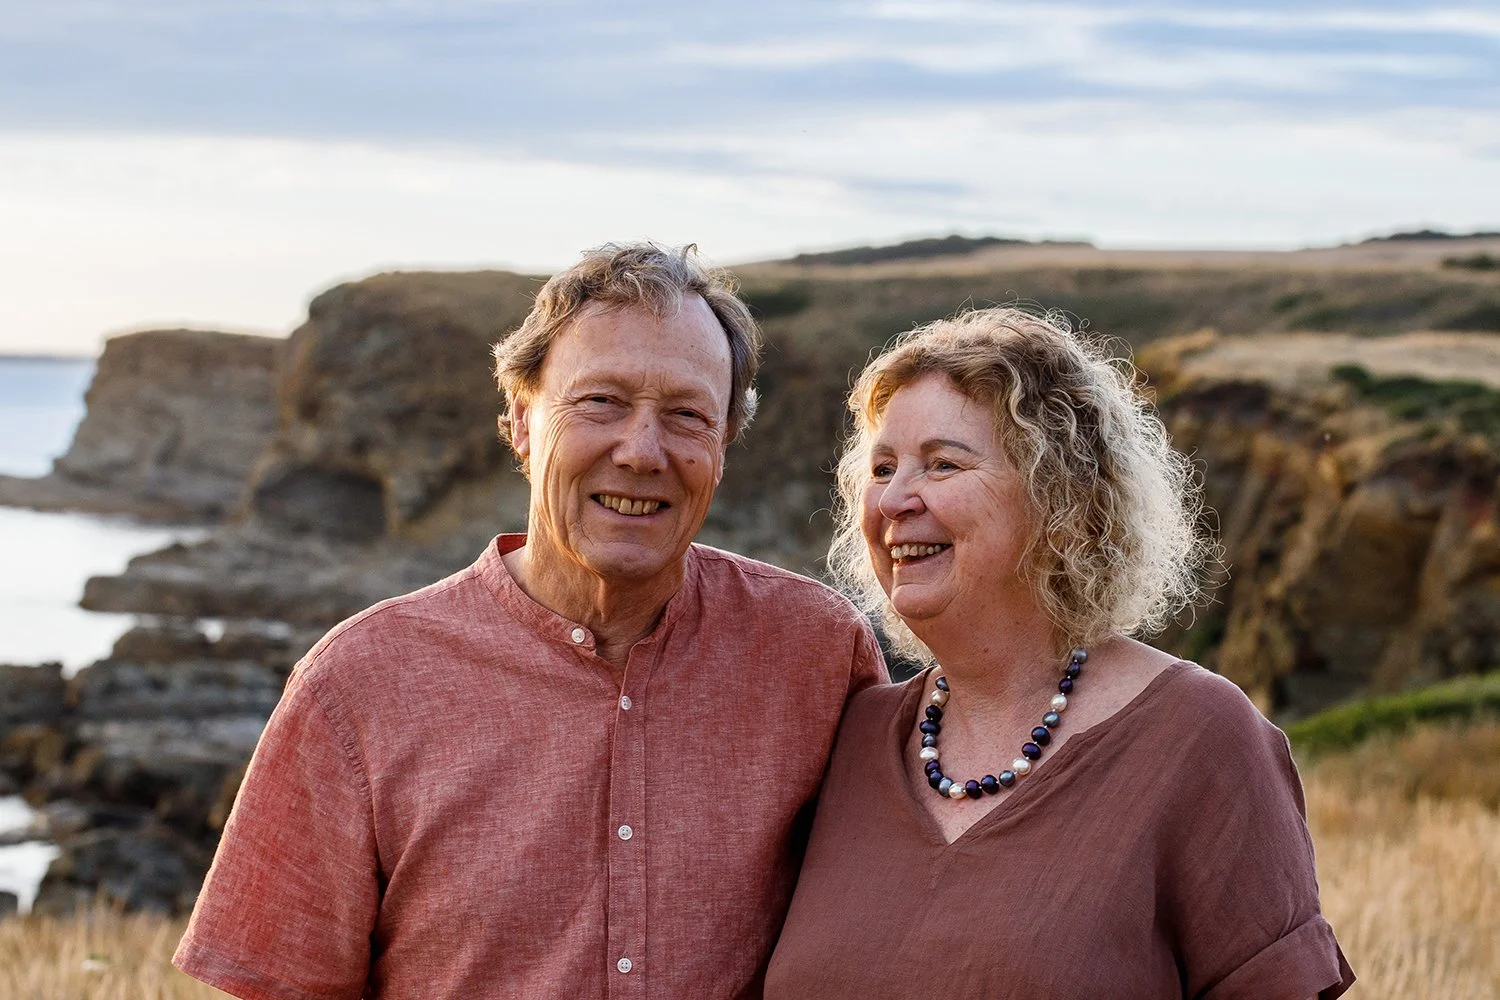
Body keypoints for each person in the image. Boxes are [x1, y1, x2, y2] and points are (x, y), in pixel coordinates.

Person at [174, 243, 887, 1000]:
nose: (642, 452)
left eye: (686, 415)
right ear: (521, 420)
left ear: (722, 447)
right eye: (601, 402)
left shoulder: (816, 652)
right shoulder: (356, 685)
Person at [764, 307, 1354, 999]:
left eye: (943, 464)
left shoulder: (1199, 736)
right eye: (883, 466)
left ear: (1060, 501)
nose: (892, 499)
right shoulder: (854, 737)